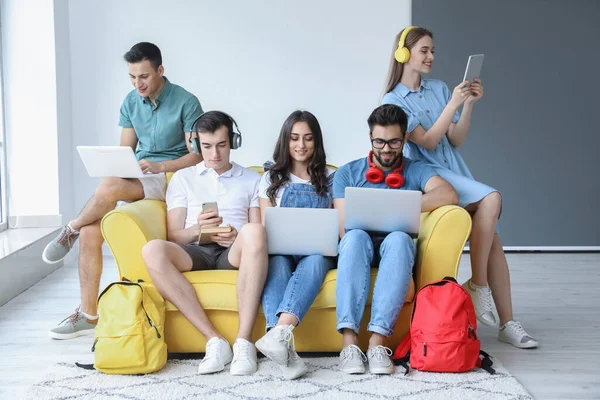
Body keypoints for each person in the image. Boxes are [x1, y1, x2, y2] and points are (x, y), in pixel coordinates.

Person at [381, 26, 537, 349]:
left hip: (455, 170)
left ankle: (508, 322)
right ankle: (478, 286)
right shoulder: (393, 100)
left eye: (433, 50)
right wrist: (453, 102)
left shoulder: (437, 88)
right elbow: (427, 140)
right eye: (424, 50)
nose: (431, 57)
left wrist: (468, 105)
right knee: (492, 198)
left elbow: (455, 139)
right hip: (431, 175)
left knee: (492, 240)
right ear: (403, 53)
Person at [44, 42, 204, 340]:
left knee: (107, 187)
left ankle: (70, 228)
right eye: (132, 77)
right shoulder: (131, 102)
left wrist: (160, 167)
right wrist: (119, 164)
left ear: (160, 70)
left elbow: (198, 156)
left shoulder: (186, 101)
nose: (137, 83)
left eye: (143, 76)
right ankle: (88, 314)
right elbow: (124, 151)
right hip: (139, 177)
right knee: (93, 230)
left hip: (170, 179)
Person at [333, 104, 459, 375]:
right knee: (354, 238)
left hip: (396, 250)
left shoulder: (415, 170)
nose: (386, 149)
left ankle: (378, 343)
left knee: (401, 239)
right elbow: (344, 228)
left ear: (404, 139)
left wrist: (401, 203)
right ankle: (350, 343)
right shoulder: (347, 173)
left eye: (393, 141)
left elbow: (449, 195)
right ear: (370, 138)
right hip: (358, 245)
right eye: (379, 141)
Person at [141, 111, 267, 375]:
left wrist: (236, 235)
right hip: (195, 250)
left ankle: (244, 343)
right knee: (152, 249)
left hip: (233, 251)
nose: (215, 154)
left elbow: (259, 229)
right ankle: (215, 341)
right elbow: (173, 235)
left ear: (232, 142)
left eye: (221, 145)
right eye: (207, 147)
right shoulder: (183, 178)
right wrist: (198, 229)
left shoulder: (252, 179)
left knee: (254, 232)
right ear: (198, 145)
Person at [254, 110, 337, 380]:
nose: (301, 145)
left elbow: (337, 222)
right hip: (280, 249)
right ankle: (283, 348)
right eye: (294, 138)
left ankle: (277, 334)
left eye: (308, 138)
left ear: (317, 142)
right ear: (285, 141)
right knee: (275, 264)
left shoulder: (331, 177)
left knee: (315, 261)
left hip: (316, 250)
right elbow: (266, 225)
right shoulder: (270, 178)